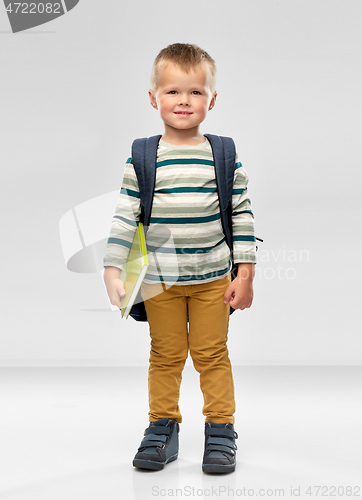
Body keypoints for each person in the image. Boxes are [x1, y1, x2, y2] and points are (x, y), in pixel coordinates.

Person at [103, 43, 257, 474]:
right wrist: (112, 268)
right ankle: (162, 428)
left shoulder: (222, 153)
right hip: (159, 282)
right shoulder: (143, 156)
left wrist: (245, 272)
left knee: (212, 354)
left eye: (194, 92)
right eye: (172, 92)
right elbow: (123, 216)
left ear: (211, 99)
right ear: (153, 97)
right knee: (165, 356)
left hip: (212, 279)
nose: (183, 101)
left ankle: (221, 430)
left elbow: (241, 213)